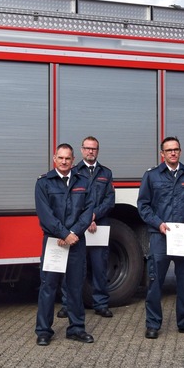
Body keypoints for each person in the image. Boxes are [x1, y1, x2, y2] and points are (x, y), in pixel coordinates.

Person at [136, 137, 184, 339]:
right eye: (169, 150)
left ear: (180, 152)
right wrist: (158, 223)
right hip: (160, 236)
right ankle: (153, 324)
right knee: (155, 282)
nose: (173, 153)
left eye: (176, 150)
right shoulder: (152, 176)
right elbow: (143, 206)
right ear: (162, 154)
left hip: (183, 237)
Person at [33, 143, 95, 345]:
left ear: (73, 160)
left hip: (76, 242)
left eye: (68, 158)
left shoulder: (84, 182)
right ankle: (44, 331)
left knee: (75, 286)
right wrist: (63, 233)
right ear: (54, 158)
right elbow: (45, 215)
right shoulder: (44, 183)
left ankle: (76, 329)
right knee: (48, 286)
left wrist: (73, 233)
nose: (64, 162)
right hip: (54, 242)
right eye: (60, 158)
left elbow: (88, 211)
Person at [60, 136, 115, 319]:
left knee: (100, 266)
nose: (91, 151)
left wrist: (94, 215)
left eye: (94, 149)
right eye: (87, 148)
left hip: (99, 225)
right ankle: (68, 304)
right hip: (78, 227)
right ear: (82, 150)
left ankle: (101, 304)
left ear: (97, 151)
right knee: (74, 267)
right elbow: (69, 201)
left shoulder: (106, 173)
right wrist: (85, 219)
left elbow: (109, 200)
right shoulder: (73, 172)